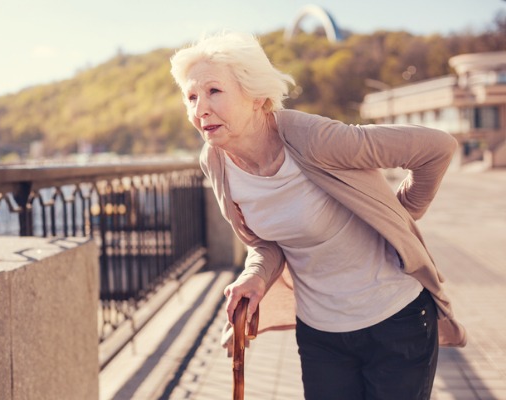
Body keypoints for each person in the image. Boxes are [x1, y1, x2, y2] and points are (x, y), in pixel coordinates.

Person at [170, 32, 467, 400]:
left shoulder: (314, 138)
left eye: (214, 91)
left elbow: (436, 148)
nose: (200, 110)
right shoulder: (215, 161)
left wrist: (402, 214)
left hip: (395, 318)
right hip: (320, 333)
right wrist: (255, 277)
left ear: (256, 96)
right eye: (191, 97)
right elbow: (266, 241)